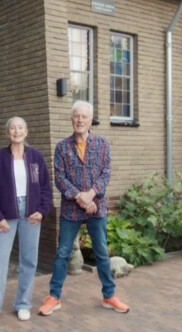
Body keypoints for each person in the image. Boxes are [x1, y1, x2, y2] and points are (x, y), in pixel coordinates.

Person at [37, 100, 130, 316]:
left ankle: (109, 295)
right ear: (71, 119)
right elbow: (59, 177)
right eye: (76, 116)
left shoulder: (102, 143)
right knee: (62, 253)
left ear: (90, 120)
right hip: (71, 209)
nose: (80, 120)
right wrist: (79, 196)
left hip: (96, 207)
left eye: (84, 117)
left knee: (102, 253)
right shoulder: (61, 147)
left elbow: (106, 172)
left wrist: (91, 194)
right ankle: (54, 296)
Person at [0, 117, 52, 324]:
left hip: (31, 214)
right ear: (7, 133)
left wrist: (43, 211)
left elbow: (45, 188)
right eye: (12, 128)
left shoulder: (36, 157)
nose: (16, 131)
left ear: (26, 132)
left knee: (29, 260)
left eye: (20, 128)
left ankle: (23, 304)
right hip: (6, 214)